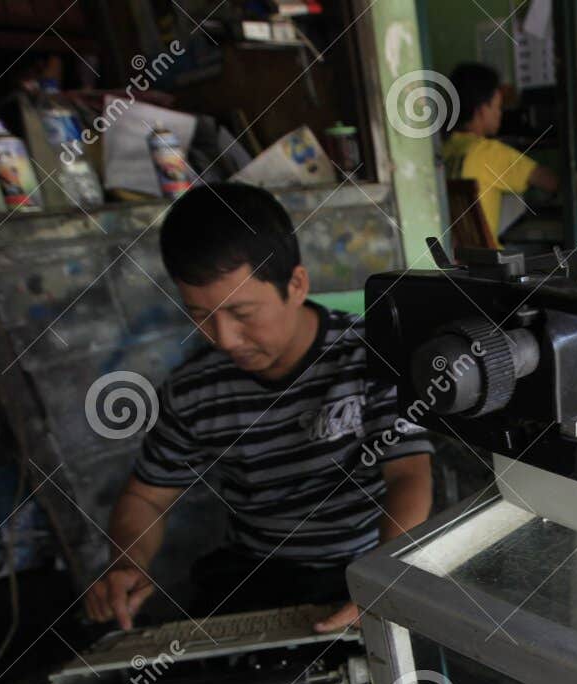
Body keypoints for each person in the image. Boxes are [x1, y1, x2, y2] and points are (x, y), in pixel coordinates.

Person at [84, 183, 433, 633]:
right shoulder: (194, 389)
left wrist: (383, 581)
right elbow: (146, 496)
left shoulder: (369, 356)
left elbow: (408, 473)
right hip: (256, 571)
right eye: (199, 314)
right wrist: (126, 563)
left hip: (365, 560)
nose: (224, 338)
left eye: (243, 313)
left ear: (296, 284)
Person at [441, 62, 559, 245]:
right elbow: (552, 182)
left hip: (460, 264)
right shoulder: (488, 152)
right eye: (496, 107)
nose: (500, 114)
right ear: (481, 110)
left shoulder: (445, 150)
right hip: (490, 264)